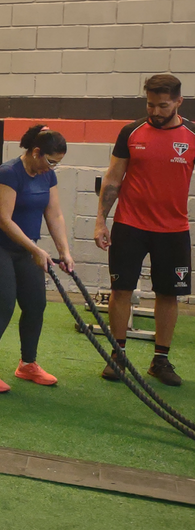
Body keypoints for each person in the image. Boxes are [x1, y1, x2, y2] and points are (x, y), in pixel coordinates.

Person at [94, 73, 195, 387]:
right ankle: (118, 355)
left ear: (178, 102)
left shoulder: (192, 135)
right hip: (130, 226)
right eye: (150, 104)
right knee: (121, 290)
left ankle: (160, 360)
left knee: (168, 294)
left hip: (174, 229)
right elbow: (113, 179)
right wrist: (100, 221)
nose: (155, 111)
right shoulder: (131, 132)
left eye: (163, 105)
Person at [0, 124, 73, 393]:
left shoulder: (47, 176)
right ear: (36, 152)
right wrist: (36, 250)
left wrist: (64, 251)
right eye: (51, 161)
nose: (52, 168)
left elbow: (54, 214)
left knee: (36, 305)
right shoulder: (8, 173)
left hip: (25, 249)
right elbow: (3, 220)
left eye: (57, 163)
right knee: (3, 307)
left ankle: (27, 365)